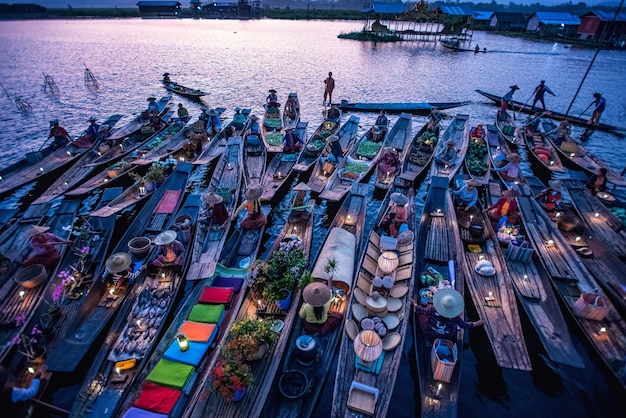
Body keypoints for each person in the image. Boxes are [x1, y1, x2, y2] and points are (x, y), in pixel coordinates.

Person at [411, 288, 484, 342]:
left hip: (430, 334)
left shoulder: (433, 310)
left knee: (421, 314)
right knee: (454, 326)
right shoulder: (455, 317)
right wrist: (478, 323)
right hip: (447, 337)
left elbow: (421, 310)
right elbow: (465, 325)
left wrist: (414, 303)